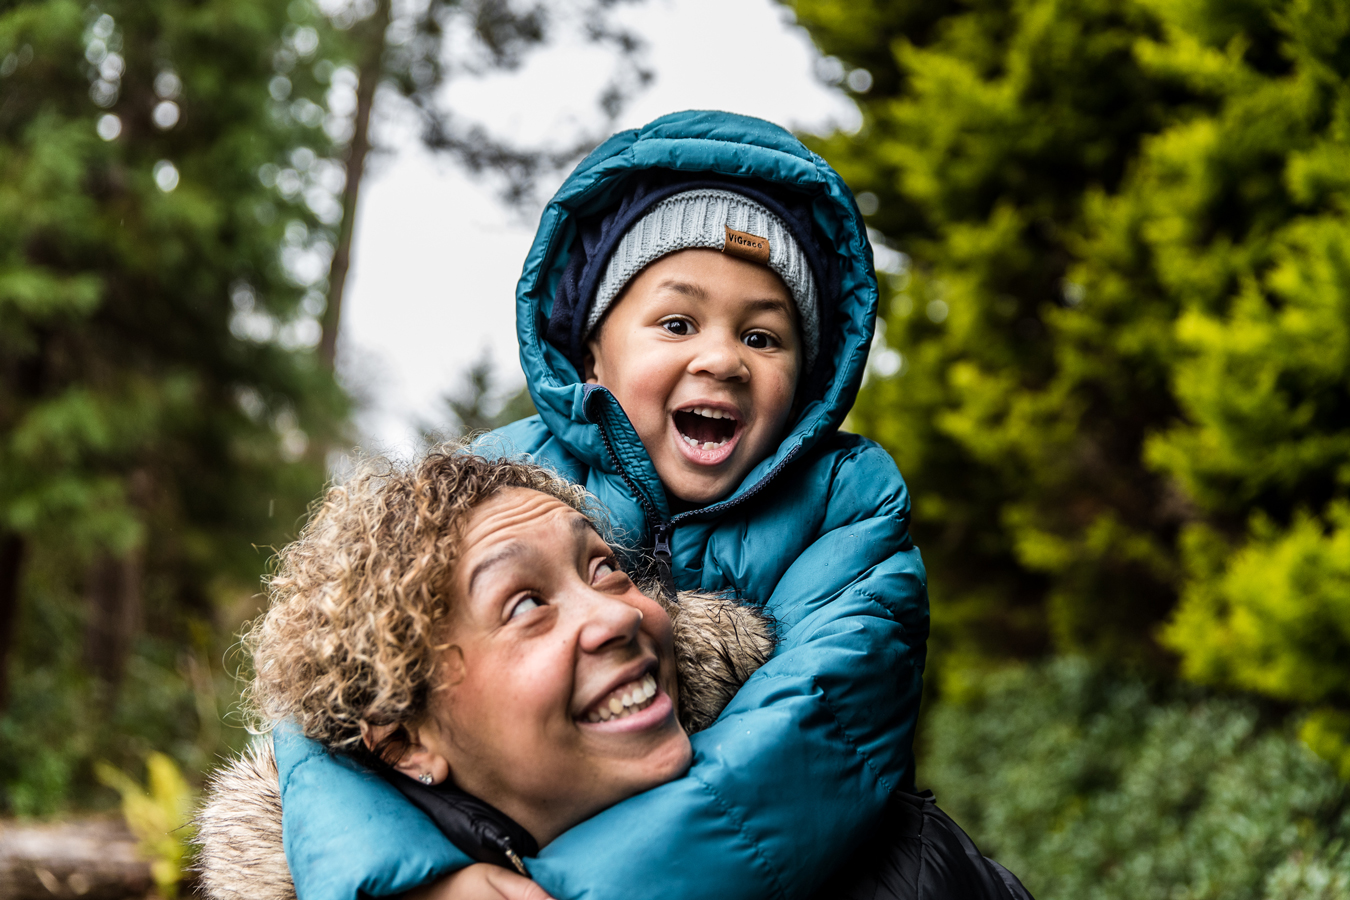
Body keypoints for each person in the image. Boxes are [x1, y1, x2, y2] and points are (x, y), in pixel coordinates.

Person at [273, 110, 930, 900]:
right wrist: (425, 880)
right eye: (678, 322)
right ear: (593, 350)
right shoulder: (498, 485)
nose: (722, 358)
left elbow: (819, 729)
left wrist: (570, 889)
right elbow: (333, 697)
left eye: (764, 337)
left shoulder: (848, 505)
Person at [196, 451, 1030, 900]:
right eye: (525, 604)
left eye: (604, 570)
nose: (619, 615)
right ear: (406, 739)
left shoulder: (898, 860)